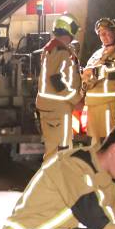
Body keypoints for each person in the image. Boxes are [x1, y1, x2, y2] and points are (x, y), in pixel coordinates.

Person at [82, 18, 115, 150]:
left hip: (111, 104)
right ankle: (96, 169)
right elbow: (86, 75)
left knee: (111, 141)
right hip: (93, 105)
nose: (103, 37)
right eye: (101, 34)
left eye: (106, 33)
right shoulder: (96, 55)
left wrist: (98, 71)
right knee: (94, 144)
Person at [36, 14, 83, 159]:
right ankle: (50, 181)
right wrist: (77, 100)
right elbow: (57, 81)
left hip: (55, 107)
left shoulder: (53, 48)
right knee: (57, 152)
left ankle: (58, 180)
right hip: (57, 107)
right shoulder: (60, 51)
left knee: (61, 150)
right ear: (69, 31)